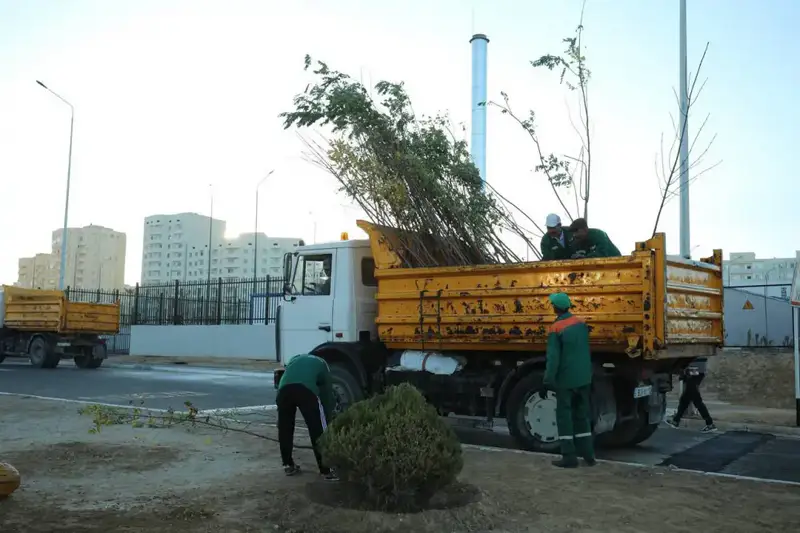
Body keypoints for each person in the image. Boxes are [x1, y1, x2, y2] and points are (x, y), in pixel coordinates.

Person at [541, 292, 596, 468]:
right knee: (582, 416)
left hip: (566, 379)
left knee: (564, 416)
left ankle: (569, 457)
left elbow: (553, 358)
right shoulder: (581, 324)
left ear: (555, 308)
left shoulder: (556, 328)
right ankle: (589, 455)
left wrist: (547, 381)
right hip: (584, 377)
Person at [277, 353, 339, 480]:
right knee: (317, 430)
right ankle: (326, 470)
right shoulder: (323, 364)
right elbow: (327, 393)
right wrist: (328, 417)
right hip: (306, 391)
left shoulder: (294, 358)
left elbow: (287, 376)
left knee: (285, 429)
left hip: (283, 392)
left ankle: (288, 465)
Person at [665, 358, 718, 432]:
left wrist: (685, 373)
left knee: (697, 401)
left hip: (694, 371)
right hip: (694, 370)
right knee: (684, 400)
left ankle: (710, 424)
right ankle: (675, 421)